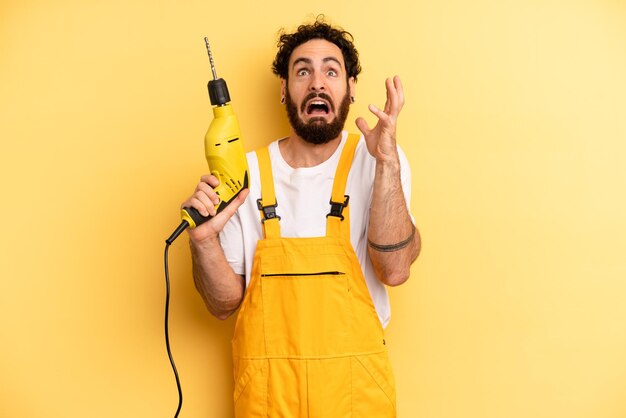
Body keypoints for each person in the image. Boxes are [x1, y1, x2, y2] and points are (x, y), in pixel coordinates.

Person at [182, 17, 420, 417]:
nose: (317, 83)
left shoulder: (379, 160)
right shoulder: (248, 173)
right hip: (267, 398)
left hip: (355, 397)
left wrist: (386, 166)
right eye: (303, 71)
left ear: (350, 88)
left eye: (331, 70)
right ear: (284, 89)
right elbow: (223, 304)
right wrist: (203, 241)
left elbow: (394, 269)